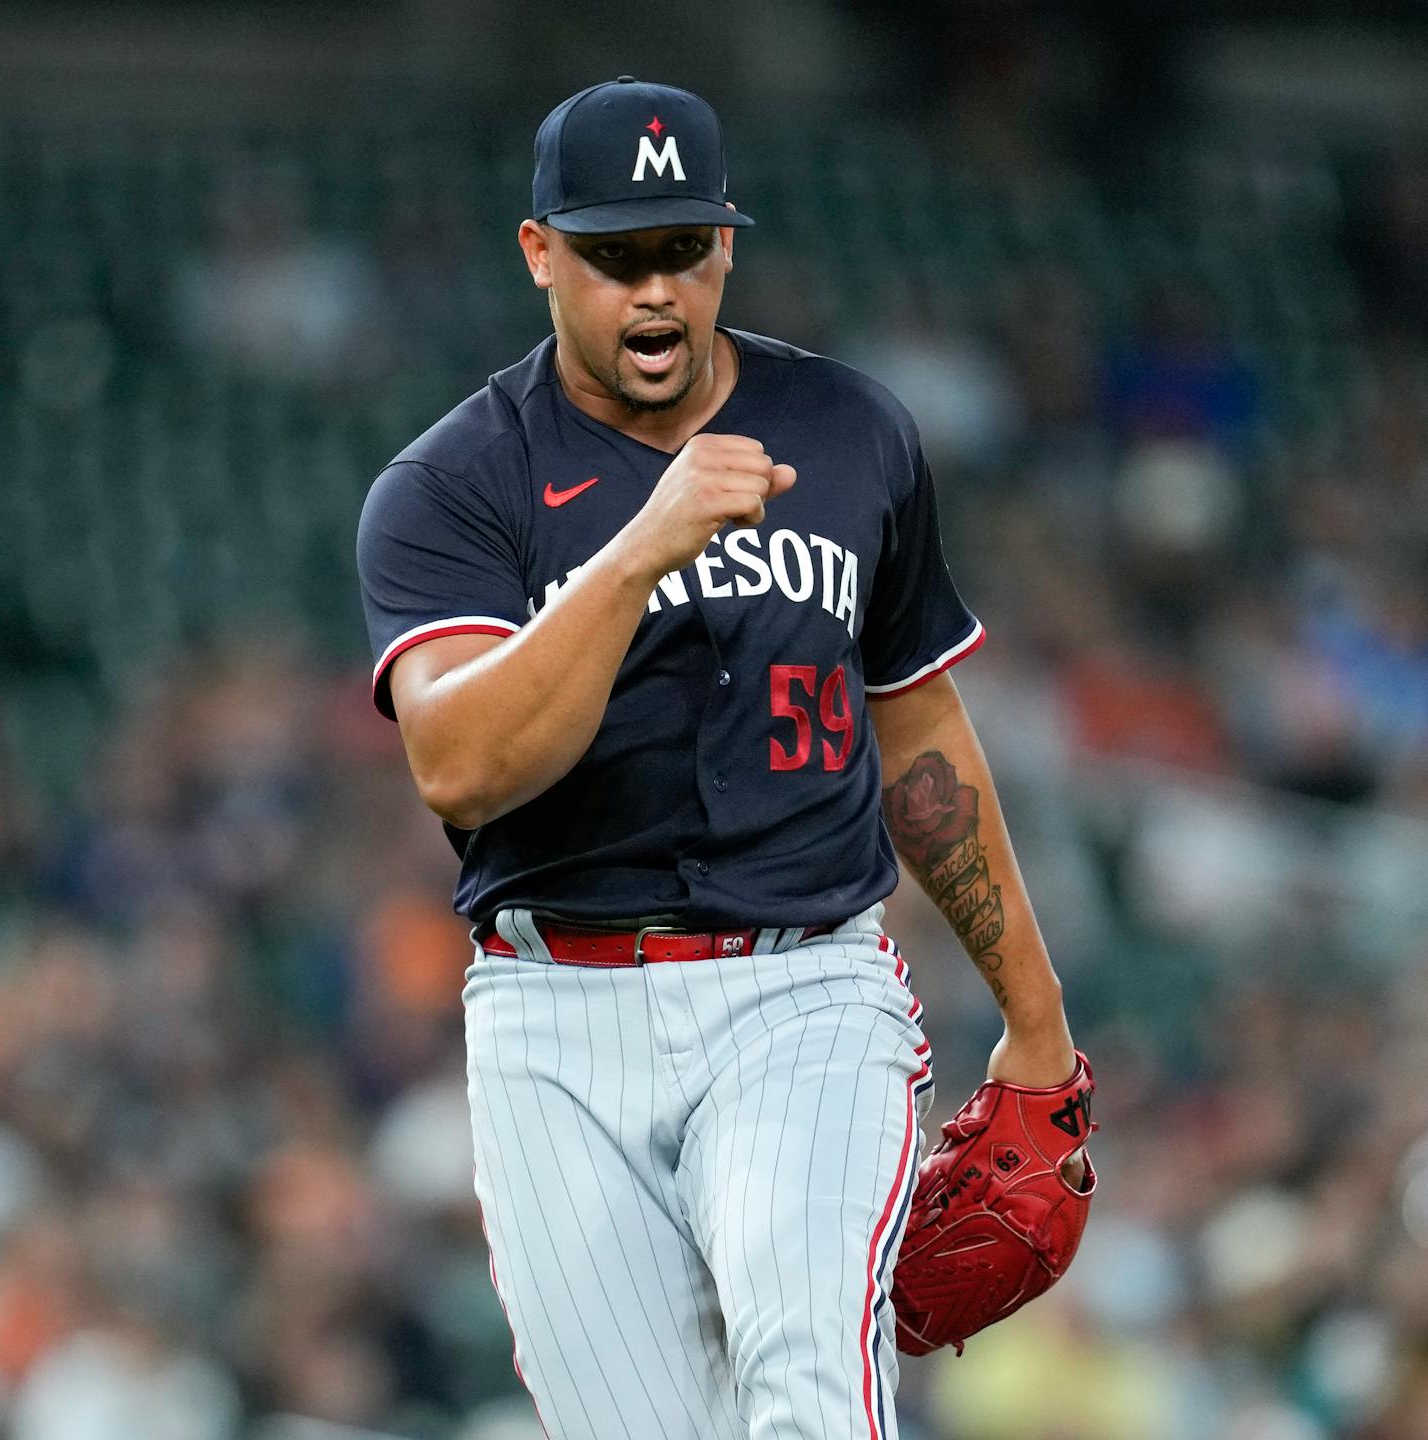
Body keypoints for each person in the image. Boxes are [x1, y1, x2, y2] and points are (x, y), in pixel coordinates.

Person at [356, 77, 1088, 1439]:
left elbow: (918, 728)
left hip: (802, 987)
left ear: (727, 248)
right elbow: (459, 768)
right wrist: (640, 544)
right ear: (539, 254)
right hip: (552, 1016)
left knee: (812, 1388)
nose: (655, 292)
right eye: (613, 255)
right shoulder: (455, 485)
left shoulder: (853, 432)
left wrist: (1036, 1024)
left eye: (682, 250)